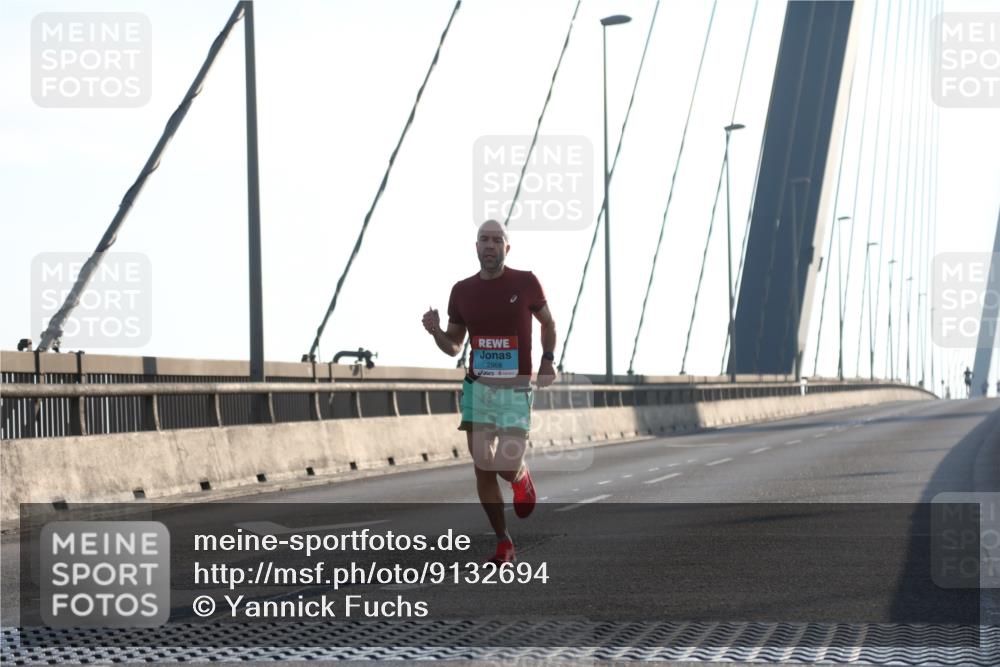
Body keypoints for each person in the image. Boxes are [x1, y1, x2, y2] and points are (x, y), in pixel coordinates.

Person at [422, 220, 557, 564]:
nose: (490, 245)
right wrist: (436, 331)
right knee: (482, 464)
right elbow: (454, 346)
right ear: (476, 246)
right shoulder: (462, 291)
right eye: (484, 239)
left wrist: (547, 360)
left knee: (506, 462)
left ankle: (520, 476)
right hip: (477, 389)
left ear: (506, 249)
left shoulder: (525, 282)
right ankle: (503, 541)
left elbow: (548, 323)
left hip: (514, 388)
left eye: (497, 240)